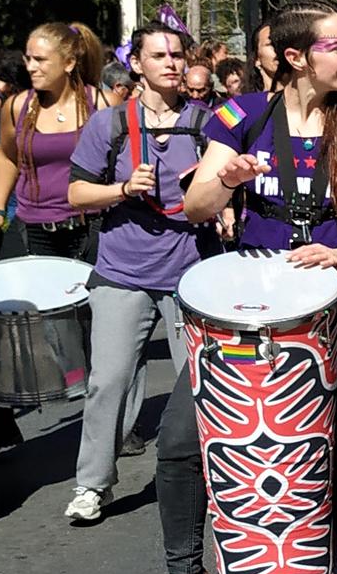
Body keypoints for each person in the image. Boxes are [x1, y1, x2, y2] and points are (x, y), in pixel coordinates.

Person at [140, 0, 337, 574]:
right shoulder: (241, 116)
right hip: (251, 319)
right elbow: (195, 202)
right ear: (296, 57)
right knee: (181, 442)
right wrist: (227, 182)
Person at [62, 25, 221, 524]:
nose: (171, 63)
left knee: (199, 384)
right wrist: (124, 189)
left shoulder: (206, 123)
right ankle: (92, 484)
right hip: (122, 270)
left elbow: (226, 183)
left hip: (190, 269)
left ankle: (215, 479)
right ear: (137, 64)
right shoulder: (109, 123)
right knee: (107, 381)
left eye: (177, 54)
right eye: (159, 55)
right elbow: (76, 195)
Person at [0, 23, 107, 261]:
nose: (31, 67)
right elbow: (6, 155)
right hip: (33, 229)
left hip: (92, 228)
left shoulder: (103, 104)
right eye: (28, 59)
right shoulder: (17, 106)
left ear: (69, 63)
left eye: (40, 60)